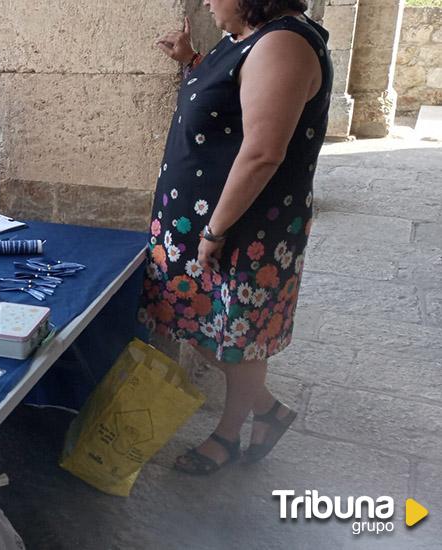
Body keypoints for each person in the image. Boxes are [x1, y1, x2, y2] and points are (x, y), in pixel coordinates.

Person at [142, 0, 332, 474]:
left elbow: (264, 152)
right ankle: (268, 410)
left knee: (236, 338)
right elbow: (234, 98)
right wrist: (192, 61)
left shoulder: (284, 44)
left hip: (243, 231)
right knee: (202, 328)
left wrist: (216, 229)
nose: (207, 1)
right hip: (204, 226)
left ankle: (228, 436)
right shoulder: (251, 39)